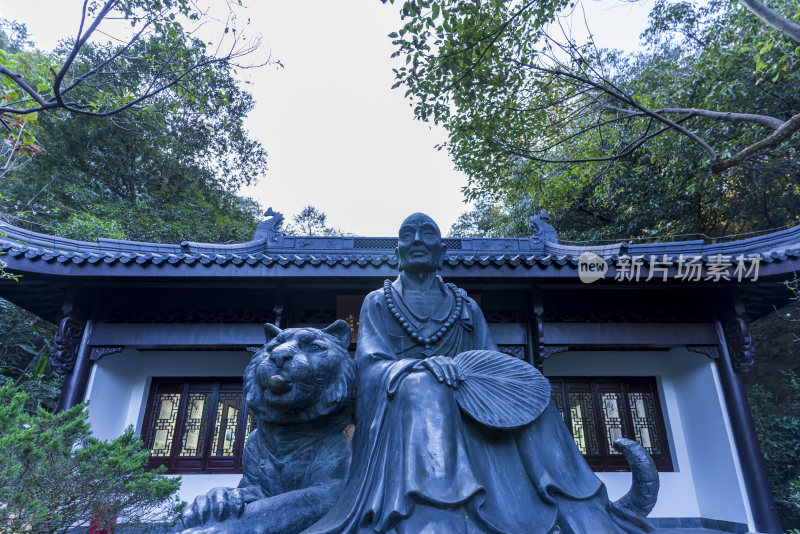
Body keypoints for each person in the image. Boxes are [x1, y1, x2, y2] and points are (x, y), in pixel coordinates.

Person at [304, 213, 652, 534]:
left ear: (441, 252)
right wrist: (420, 366)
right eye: (408, 235)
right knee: (425, 388)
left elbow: (494, 369)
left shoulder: (466, 306)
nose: (417, 240)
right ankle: (434, 511)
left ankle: (579, 503)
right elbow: (369, 365)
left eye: (428, 234)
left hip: (469, 400)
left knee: (533, 399)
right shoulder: (378, 302)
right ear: (398, 252)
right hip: (401, 407)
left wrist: (472, 378)